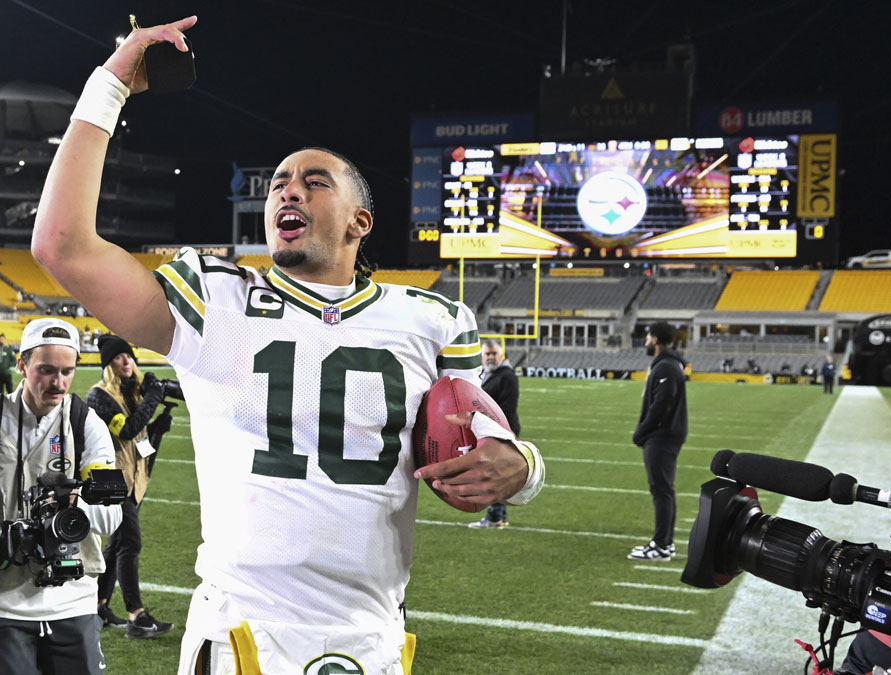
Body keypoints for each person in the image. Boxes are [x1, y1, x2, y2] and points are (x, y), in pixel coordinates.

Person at [31, 18, 544, 672]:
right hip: (242, 631)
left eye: (314, 181)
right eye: (278, 183)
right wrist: (110, 87)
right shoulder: (213, 296)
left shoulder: (434, 320)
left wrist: (524, 468)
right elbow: (62, 246)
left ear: (361, 220)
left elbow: (484, 453)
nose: (288, 189)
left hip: (373, 637)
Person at [0, 318, 122, 675]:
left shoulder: (86, 424)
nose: (58, 383)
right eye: (45, 370)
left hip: (71, 600)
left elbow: (112, 516)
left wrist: (74, 502)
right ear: (21, 365)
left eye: (67, 371)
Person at [85, 335, 173, 638]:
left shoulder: (129, 393)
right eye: (120, 357)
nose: (127, 362)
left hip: (131, 478)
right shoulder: (99, 396)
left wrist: (158, 426)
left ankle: (97, 605)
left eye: (130, 357)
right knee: (130, 542)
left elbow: (141, 439)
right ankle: (137, 616)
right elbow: (127, 429)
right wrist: (154, 397)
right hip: (108, 478)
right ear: (109, 364)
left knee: (116, 546)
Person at [629, 321, 688, 562]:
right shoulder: (668, 364)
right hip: (664, 435)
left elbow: (660, 406)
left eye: (648, 336)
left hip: (662, 436)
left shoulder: (666, 367)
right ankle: (665, 543)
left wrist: (641, 432)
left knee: (661, 489)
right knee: (663, 489)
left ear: (655, 339)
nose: (645, 341)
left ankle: (662, 545)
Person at [470, 339, 522, 530]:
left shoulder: (506, 376)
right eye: (487, 354)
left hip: (500, 431)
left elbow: (507, 408)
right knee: (495, 474)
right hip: (493, 430)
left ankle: (494, 518)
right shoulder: (488, 374)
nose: (491, 357)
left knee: (493, 476)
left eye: (494, 354)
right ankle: (501, 516)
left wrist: (500, 434)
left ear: (501, 356)